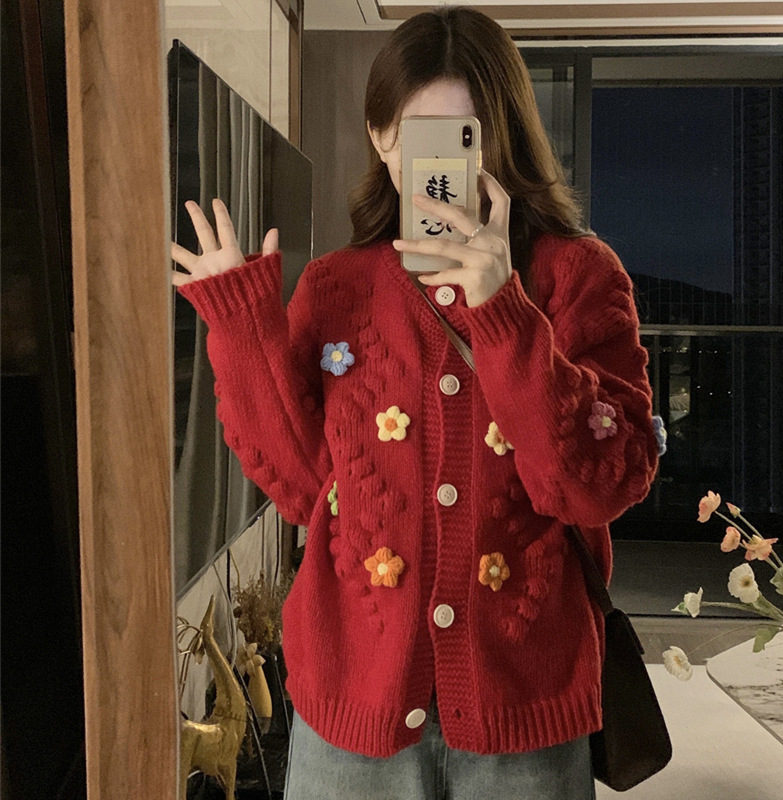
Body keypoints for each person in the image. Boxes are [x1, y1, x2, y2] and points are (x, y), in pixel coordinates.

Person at [172, 7, 658, 799]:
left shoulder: (579, 277)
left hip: (524, 718)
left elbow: (598, 486)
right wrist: (241, 325)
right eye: (417, 135)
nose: (440, 164)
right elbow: (303, 486)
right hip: (351, 713)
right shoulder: (337, 288)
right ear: (380, 137)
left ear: (502, 137)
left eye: (464, 136)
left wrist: (504, 313)